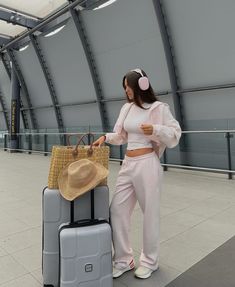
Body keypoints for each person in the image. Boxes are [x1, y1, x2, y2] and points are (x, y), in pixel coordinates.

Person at [93, 68, 181, 279]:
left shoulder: (159, 108)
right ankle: (124, 259)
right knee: (117, 210)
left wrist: (156, 130)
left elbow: (175, 133)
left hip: (147, 163)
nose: (126, 91)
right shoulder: (126, 108)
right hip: (128, 163)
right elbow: (121, 136)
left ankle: (150, 261)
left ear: (141, 85)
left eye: (128, 86)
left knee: (149, 213)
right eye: (124, 87)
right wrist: (105, 137)